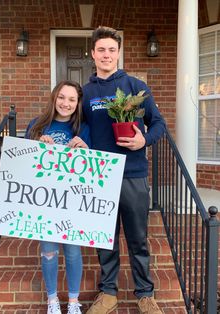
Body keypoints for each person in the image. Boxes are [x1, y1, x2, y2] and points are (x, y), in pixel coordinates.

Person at [82, 26, 165, 314]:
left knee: (137, 239)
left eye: (112, 50)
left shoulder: (135, 86)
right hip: (98, 176)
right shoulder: (87, 92)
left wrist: (144, 139)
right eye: (101, 50)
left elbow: (158, 124)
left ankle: (145, 294)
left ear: (118, 53)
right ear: (93, 54)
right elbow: (75, 126)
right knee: (104, 239)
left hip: (133, 174)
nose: (106, 54)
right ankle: (108, 294)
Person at [25, 80, 91, 314]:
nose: (66, 103)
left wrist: (85, 147)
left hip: (72, 200)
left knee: (73, 251)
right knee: (49, 251)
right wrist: (37, 145)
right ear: (54, 98)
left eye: (72, 99)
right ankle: (52, 300)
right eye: (62, 97)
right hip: (45, 201)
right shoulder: (37, 125)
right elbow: (24, 163)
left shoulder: (83, 128)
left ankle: (73, 302)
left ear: (77, 103)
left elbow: (94, 168)